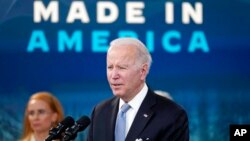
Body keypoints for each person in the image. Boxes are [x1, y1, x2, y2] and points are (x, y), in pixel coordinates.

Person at [87, 37, 189, 141]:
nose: (114, 75)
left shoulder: (172, 115)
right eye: (110, 67)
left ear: (143, 71)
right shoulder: (100, 112)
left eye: (122, 68)